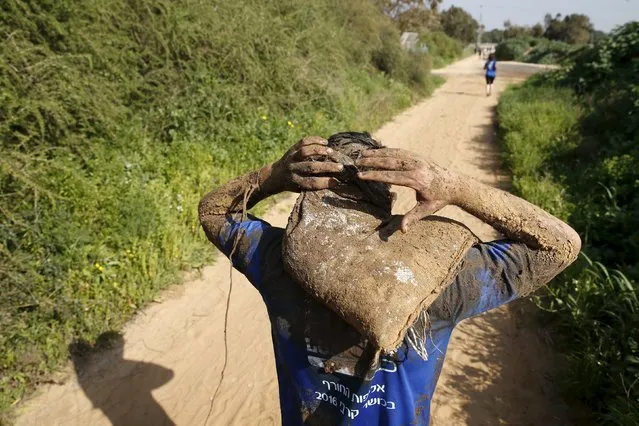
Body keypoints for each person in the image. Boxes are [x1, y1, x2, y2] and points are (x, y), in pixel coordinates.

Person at [199, 132, 581, 425]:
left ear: (310, 190)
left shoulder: (276, 260)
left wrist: (272, 176)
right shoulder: (442, 276)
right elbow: (559, 245)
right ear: (388, 199)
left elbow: (215, 211)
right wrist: (455, 187)